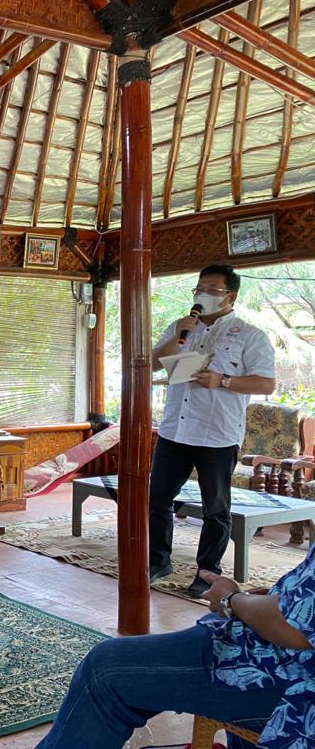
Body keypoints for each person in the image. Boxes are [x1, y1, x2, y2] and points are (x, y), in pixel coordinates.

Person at [35, 557, 313, 749]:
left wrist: (232, 600)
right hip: (279, 656)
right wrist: (276, 595)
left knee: (104, 672)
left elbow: (292, 627)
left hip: (289, 681)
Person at [150, 264, 275, 597]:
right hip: (175, 430)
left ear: (229, 296)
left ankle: (207, 573)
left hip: (217, 435)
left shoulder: (250, 335)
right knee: (157, 499)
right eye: (198, 288)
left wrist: (223, 381)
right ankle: (157, 560)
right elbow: (148, 364)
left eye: (211, 289)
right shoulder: (181, 328)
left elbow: (266, 383)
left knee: (215, 510)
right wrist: (176, 336)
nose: (202, 294)